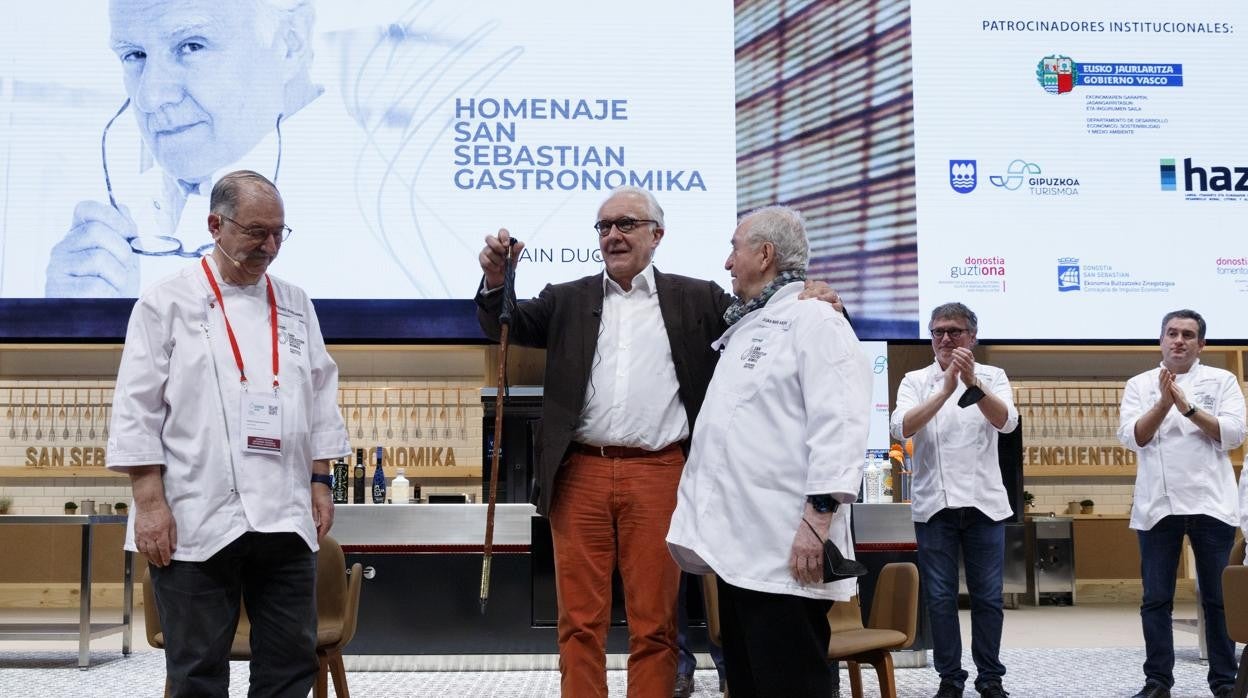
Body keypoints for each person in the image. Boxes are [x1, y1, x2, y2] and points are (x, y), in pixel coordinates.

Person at [475, 186, 843, 697]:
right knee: (579, 622)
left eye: (626, 223)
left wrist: (815, 291)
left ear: (657, 235)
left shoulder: (699, 298)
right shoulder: (566, 298)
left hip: (662, 471)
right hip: (579, 472)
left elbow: (769, 312)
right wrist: (497, 280)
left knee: (656, 624)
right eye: (604, 227)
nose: (613, 235)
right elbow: (503, 320)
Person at [105, 170, 350, 697]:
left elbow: (320, 392)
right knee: (196, 672)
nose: (271, 246)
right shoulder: (164, 302)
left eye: (280, 233)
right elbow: (136, 408)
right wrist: (149, 503)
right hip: (195, 516)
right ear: (215, 224)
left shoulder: (295, 303)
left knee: (290, 665)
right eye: (257, 231)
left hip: (285, 514)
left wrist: (320, 481)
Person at [666, 205, 870, 698]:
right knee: (750, 682)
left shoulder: (817, 320)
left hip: (788, 548)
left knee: (793, 683)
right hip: (741, 552)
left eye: (735, 249)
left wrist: (817, 521)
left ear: (765, 253)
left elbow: (840, 423)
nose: (727, 263)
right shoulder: (748, 326)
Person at [46, 0, 322, 298]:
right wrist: (68, 325)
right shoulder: (94, 241)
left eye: (191, 46)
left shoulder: (364, 224)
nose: (149, 97)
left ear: (290, 44)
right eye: (134, 54)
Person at [890, 302, 1018, 698]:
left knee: (988, 598)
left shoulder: (993, 375)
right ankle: (949, 678)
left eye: (955, 332)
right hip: (935, 507)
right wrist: (946, 388)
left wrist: (971, 384)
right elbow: (901, 428)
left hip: (984, 505)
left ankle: (990, 677)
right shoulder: (915, 379)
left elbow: (1007, 422)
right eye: (938, 332)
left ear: (972, 337)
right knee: (941, 598)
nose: (946, 339)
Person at [1118, 309, 1245, 698]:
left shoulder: (1222, 380)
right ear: (1160, 340)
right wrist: (1163, 402)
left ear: (1200, 344)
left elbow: (1234, 435)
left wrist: (1187, 406)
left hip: (1211, 507)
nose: (1179, 340)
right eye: (1171, 333)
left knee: (1218, 599)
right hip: (1158, 508)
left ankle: (1224, 682)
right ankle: (1158, 681)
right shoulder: (1140, 384)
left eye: (1188, 335)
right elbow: (1132, 437)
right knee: (1156, 599)